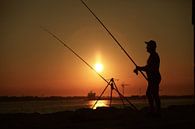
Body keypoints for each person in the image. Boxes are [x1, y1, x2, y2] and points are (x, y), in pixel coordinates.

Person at [134, 40, 161, 115]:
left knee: (153, 94)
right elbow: (148, 68)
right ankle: (154, 110)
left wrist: (139, 68)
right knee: (152, 94)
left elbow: (149, 68)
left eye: (148, 46)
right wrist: (139, 68)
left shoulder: (154, 56)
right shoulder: (152, 55)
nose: (146, 47)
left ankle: (156, 111)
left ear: (151, 47)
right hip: (153, 78)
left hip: (154, 78)